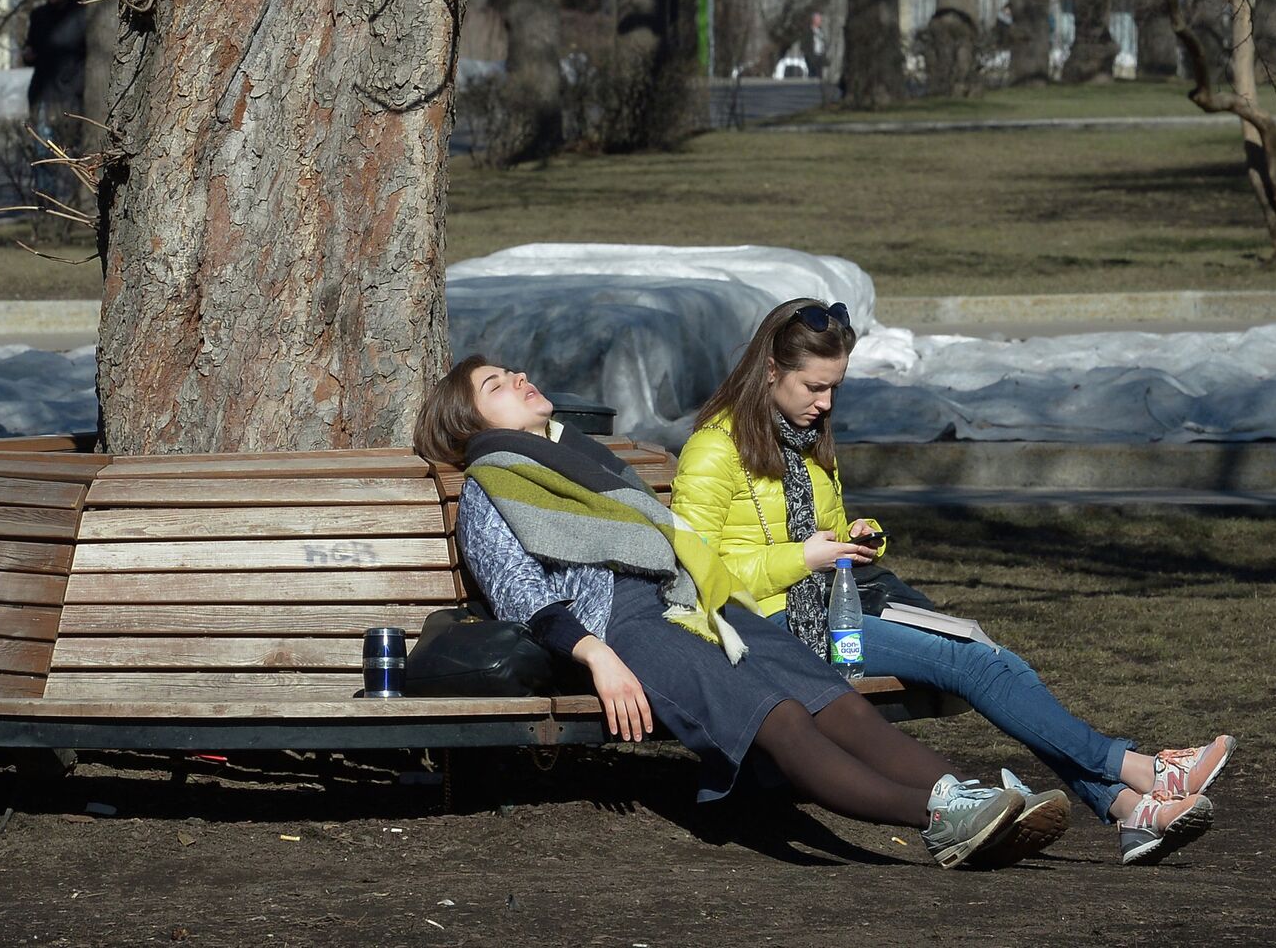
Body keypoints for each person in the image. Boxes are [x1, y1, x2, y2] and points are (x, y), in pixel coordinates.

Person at [416, 355, 1050, 870]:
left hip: (691, 600)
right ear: (470, 425)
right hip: (620, 627)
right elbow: (519, 594)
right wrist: (597, 655)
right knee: (778, 716)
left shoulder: (581, 459)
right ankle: (938, 821)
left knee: (830, 696)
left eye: (512, 370)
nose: (521, 379)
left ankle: (964, 797)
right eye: (497, 385)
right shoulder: (488, 488)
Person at [671, 297, 1234, 866]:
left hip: (831, 603)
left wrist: (860, 537)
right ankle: (1138, 775)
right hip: (771, 626)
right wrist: (801, 559)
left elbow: (826, 532)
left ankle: (1128, 807)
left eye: (835, 388)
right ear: (771, 371)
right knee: (977, 662)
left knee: (988, 655)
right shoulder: (715, 449)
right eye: (815, 387)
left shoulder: (804, 443)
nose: (826, 403)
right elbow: (694, 571)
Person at [22, 0, 90, 138]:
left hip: (71, 94)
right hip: (42, 92)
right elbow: (31, 48)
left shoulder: (81, 14)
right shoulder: (38, 16)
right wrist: (28, 54)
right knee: (42, 148)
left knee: (67, 146)